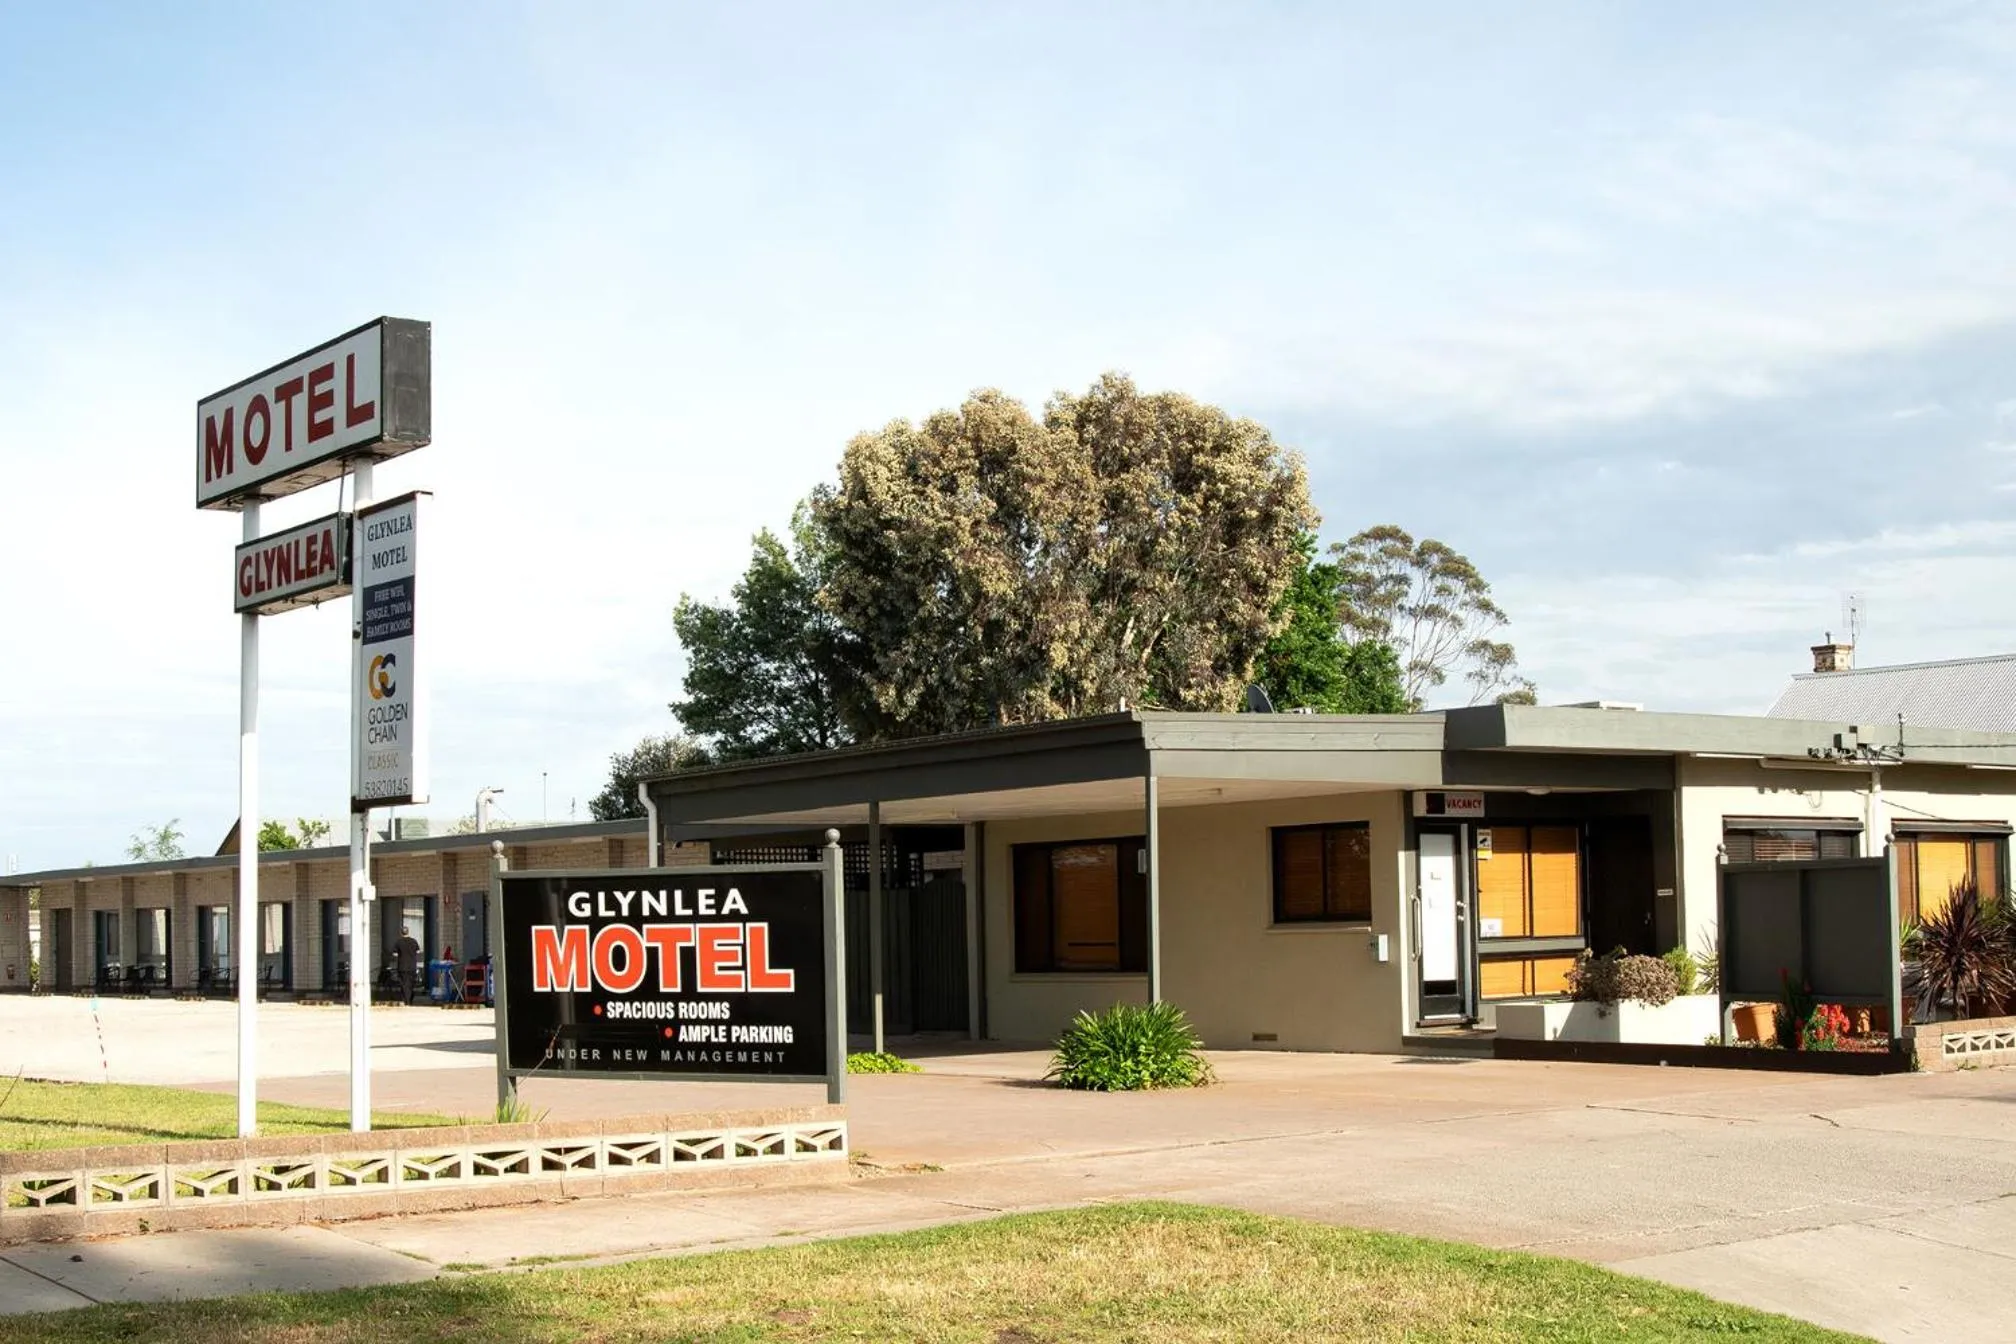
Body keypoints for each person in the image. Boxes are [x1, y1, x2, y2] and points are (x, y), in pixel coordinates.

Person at [394, 925, 422, 1005]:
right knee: (411, 984)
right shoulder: (414, 941)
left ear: (401, 933)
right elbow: (418, 952)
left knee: (403, 984)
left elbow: (395, 954)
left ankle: (406, 1000)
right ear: (408, 932)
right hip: (412, 966)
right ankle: (409, 999)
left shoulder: (398, 942)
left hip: (402, 966)